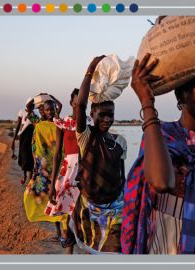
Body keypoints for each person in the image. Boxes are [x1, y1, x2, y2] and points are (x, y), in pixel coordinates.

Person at [121, 53, 195, 254]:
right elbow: (162, 182)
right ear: (182, 97)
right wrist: (146, 102)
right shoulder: (162, 135)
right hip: (165, 238)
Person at [72, 56, 127, 253]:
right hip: (92, 206)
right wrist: (91, 69)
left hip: (117, 205)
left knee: (115, 249)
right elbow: (79, 105)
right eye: (101, 114)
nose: (106, 119)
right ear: (92, 115)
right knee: (93, 248)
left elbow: (121, 173)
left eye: (110, 114)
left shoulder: (120, 142)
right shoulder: (86, 137)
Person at [23, 99, 67, 241]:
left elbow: (60, 106)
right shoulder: (39, 124)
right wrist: (32, 103)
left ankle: (62, 234)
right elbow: (29, 111)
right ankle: (59, 232)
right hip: (44, 168)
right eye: (45, 110)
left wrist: (53, 98)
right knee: (37, 195)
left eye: (51, 109)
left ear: (55, 109)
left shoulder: (59, 123)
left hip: (57, 167)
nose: (48, 112)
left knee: (58, 198)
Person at [45, 88, 81, 254]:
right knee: (68, 212)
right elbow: (57, 153)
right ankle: (69, 254)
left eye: (82, 103)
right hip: (68, 170)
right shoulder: (63, 122)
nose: (79, 106)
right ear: (71, 103)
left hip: (84, 169)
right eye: (76, 103)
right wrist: (52, 184)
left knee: (82, 212)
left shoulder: (90, 121)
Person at [11, 97, 39, 185]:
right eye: (30, 104)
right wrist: (13, 139)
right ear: (27, 105)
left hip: (31, 138)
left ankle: (30, 179)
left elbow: (37, 127)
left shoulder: (34, 114)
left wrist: (32, 116)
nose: (32, 106)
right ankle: (24, 175)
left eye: (33, 105)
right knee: (24, 156)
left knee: (31, 157)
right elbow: (18, 125)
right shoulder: (22, 112)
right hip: (23, 138)